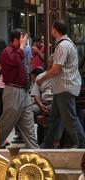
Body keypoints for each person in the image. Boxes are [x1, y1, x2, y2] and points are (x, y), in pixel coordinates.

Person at [37, 20, 85, 148]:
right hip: (61, 88)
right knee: (54, 119)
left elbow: (56, 68)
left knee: (70, 119)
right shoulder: (66, 44)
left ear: (55, 30)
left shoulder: (63, 46)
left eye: (52, 29)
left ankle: (82, 144)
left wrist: (42, 79)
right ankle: (46, 145)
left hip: (65, 87)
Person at [0, 29, 38, 149]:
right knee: (7, 122)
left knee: (28, 122)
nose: (24, 42)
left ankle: (34, 149)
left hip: (24, 91)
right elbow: (14, 61)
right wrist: (22, 46)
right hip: (13, 90)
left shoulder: (20, 51)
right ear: (15, 40)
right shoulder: (7, 51)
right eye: (22, 39)